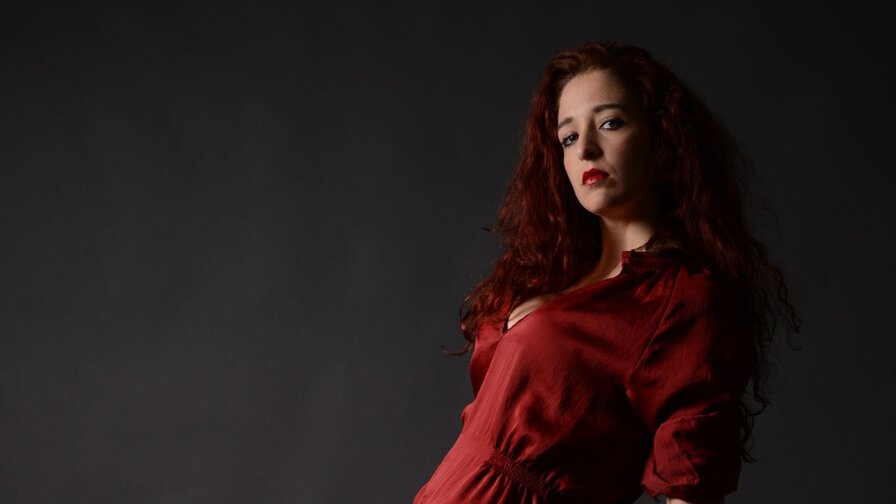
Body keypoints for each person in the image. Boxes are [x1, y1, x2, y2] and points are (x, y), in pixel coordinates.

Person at [412, 41, 799, 504]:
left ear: (661, 137)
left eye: (610, 123)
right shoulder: (554, 276)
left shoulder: (680, 297)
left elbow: (691, 478)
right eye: (568, 137)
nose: (586, 149)